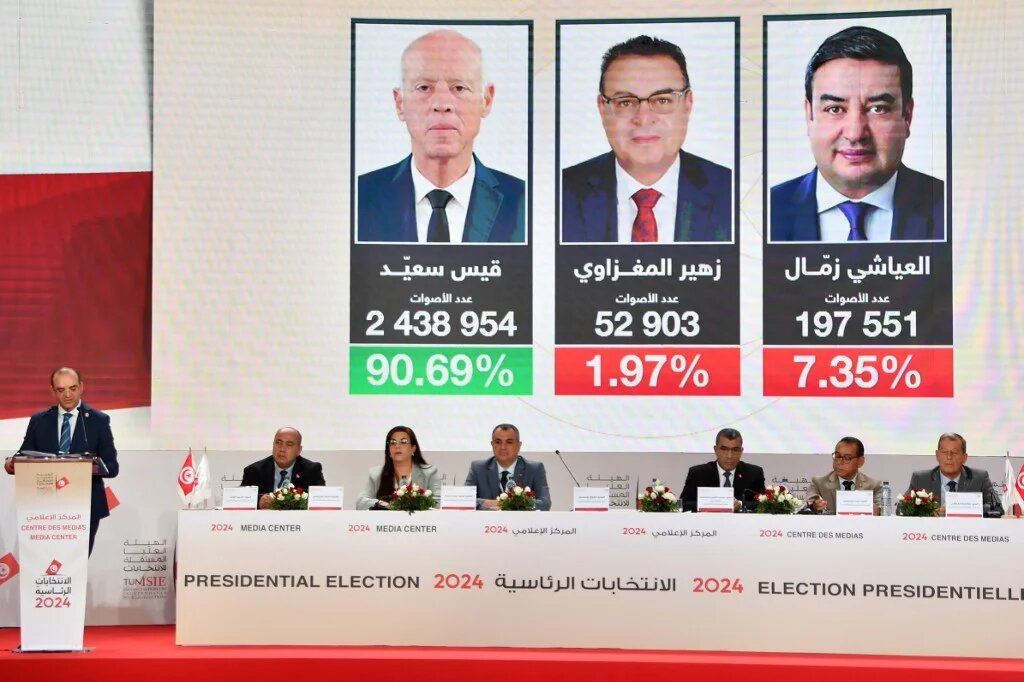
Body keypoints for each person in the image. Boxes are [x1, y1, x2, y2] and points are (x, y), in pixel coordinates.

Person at [770, 25, 944, 242]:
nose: (855, 134)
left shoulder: (952, 208)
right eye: (835, 109)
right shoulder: (765, 211)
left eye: (878, 109)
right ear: (809, 115)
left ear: (906, 116)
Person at [358, 29, 525, 243]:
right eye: (424, 87)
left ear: (486, 100)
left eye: (459, 87)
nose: (442, 104)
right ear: (400, 103)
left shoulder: (524, 202)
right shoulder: (359, 198)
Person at [562, 35, 731, 243]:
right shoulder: (560, 193)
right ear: (602, 108)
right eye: (625, 102)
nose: (643, 119)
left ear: (688, 104)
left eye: (662, 100)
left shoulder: (732, 191)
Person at [5, 367, 119, 555]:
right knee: (46, 565)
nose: (68, 394)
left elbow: (112, 467)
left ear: (81, 387)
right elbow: (22, 456)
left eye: (73, 388)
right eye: (61, 389)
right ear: (52, 390)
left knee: (76, 567)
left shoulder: (98, 421)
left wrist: (85, 468)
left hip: (85, 507)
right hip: (44, 509)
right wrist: (11, 464)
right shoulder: (39, 420)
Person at [905, 433, 1003, 517]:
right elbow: (902, 509)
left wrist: (956, 509)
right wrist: (930, 512)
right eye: (944, 452)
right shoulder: (921, 479)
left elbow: (997, 509)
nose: (949, 457)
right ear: (937, 455)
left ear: (964, 457)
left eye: (954, 452)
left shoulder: (980, 478)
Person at [465, 423, 551, 510]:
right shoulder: (478, 468)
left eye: (509, 442)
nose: (503, 447)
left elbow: (545, 503)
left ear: (518, 446)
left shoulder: (534, 469)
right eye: (498, 442)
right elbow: (464, 500)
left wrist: (510, 503)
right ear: (492, 445)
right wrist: (487, 503)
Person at [356, 425, 440, 510]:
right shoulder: (376, 474)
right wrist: (384, 505)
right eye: (393, 442)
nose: (397, 446)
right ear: (389, 450)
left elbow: (438, 503)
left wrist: (414, 505)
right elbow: (361, 502)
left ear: (413, 449)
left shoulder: (430, 473)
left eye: (403, 442)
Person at [681, 427, 765, 512]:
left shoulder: (754, 473)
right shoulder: (698, 473)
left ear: (741, 451)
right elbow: (683, 504)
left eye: (735, 450)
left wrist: (740, 504)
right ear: (715, 450)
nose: (729, 456)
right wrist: (711, 504)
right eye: (724, 449)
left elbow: (764, 505)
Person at [241, 427, 325, 510]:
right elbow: (241, 500)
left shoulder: (312, 470)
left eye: (289, 444)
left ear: (299, 450)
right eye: (278, 442)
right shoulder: (254, 471)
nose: (282, 449)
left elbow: (320, 500)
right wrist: (259, 501)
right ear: (273, 445)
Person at [804, 436, 882, 514]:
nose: (839, 462)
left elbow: (882, 511)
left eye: (847, 458)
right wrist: (814, 506)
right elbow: (805, 509)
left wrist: (875, 510)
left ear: (860, 461)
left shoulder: (874, 485)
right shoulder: (819, 483)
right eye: (837, 456)